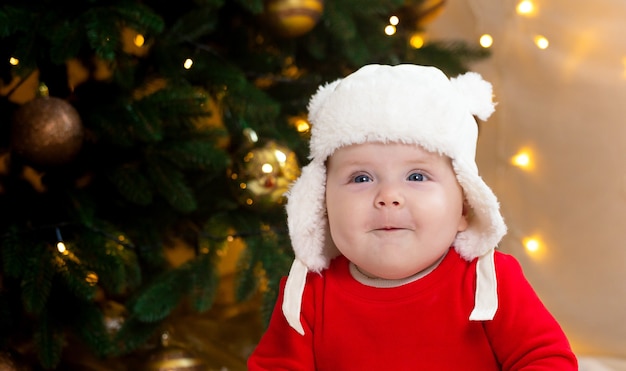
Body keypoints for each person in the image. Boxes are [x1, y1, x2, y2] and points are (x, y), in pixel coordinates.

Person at [247, 64, 578, 370]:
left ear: (464, 206)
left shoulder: (488, 280)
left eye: (417, 177)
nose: (388, 196)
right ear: (322, 202)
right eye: (361, 178)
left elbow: (546, 359)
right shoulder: (308, 293)